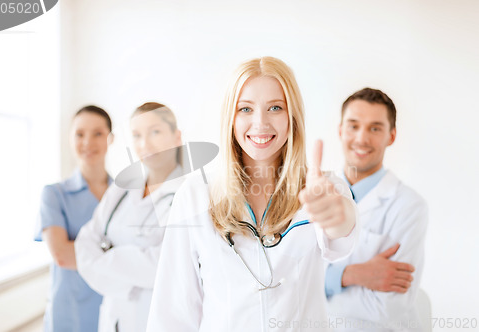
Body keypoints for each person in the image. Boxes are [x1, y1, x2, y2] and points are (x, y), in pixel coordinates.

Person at [146, 56, 358, 332]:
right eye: (245, 109)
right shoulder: (196, 195)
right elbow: (173, 312)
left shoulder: (323, 188)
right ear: (230, 118)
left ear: (292, 116)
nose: (260, 123)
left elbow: (341, 239)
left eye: (275, 108)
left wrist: (337, 217)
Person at [75, 102, 185, 332]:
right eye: (136, 135)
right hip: (114, 318)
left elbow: (166, 265)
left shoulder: (190, 193)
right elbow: (85, 244)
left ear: (176, 136)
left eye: (155, 132)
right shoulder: (120, 189)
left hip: (162, 321)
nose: (145, 144)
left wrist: (106, 256)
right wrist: (133, 276)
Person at [325, 88, 429, 331]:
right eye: (353, 126)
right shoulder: (313, 196)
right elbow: (290, 283)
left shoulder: (410, 206)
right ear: (340, 130)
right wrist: (349, 275)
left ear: (391, 136)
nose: (362, 138)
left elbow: (389, 308)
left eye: (375, 128)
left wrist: (323, 283)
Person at [35, 105, 113, 332]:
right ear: (70, 139)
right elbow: (62, 255)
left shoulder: (126, 194)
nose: (88, 142)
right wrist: (117, 254)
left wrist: (85, 251)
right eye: (80, 134)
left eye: (97, 133)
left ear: (111, 138)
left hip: (114, 308)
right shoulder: (54, 194)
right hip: (69, 313)